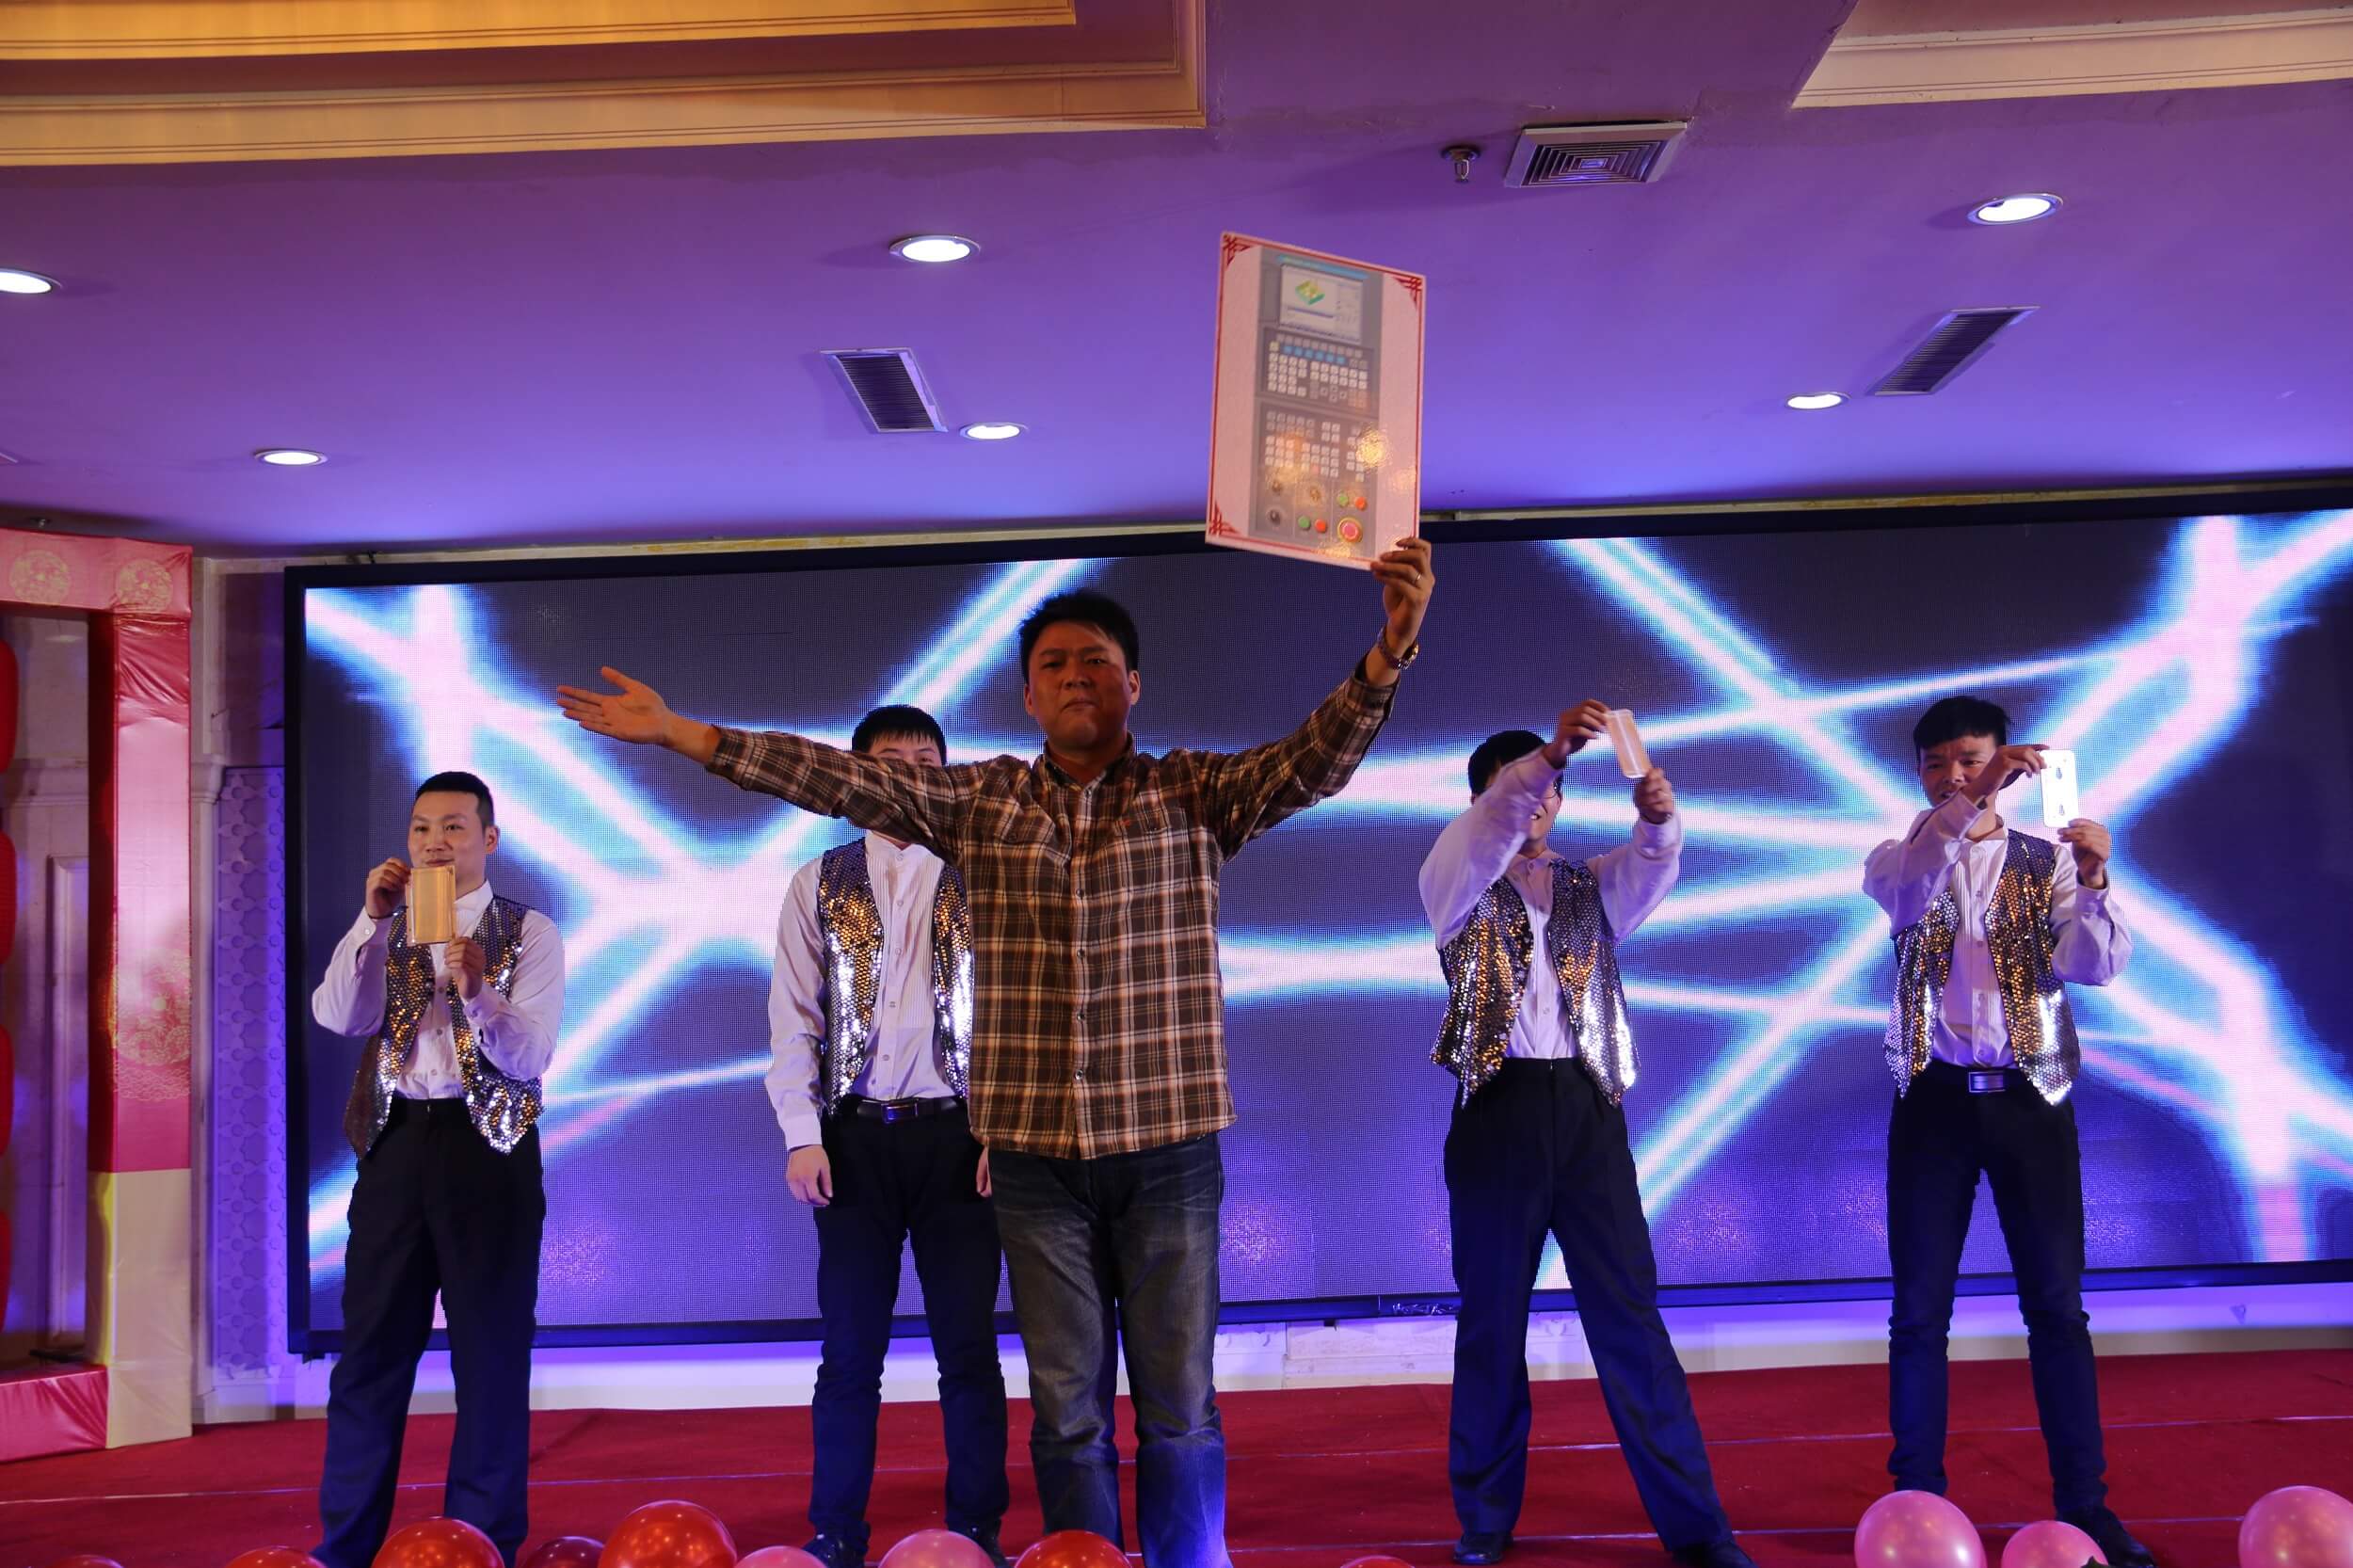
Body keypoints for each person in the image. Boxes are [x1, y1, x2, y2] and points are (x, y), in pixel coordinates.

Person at [556, 539, 1434, 1568]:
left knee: (1180, 1408)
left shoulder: (1194, 794)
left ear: (1134, 684)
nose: (1075, 675)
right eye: (1054, 663)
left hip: (1169, 1151)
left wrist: (1388, 652)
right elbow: (836, 779)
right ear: (1026, 696)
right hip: (1034, 1163)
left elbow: (1312, 760)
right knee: (1066, 1409)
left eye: (1096, 659)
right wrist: (684, 733)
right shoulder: (984, 803)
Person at [1419, 703, 1754, 1568]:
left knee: (1630, 1319)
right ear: (1481, 800)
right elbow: (1492, 825)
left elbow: (1652, 868)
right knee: (1491, 1323)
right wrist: (1549, 755)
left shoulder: (1585, 884)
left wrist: (1658, 821)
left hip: (1587, 1111)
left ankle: (1699, 1532)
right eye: (1517, 791)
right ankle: (1484, 1523)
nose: (1536, 804)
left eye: (1550, 793)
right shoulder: (1454, 876)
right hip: (1497, 1112)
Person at [1864, 695, 2151, 1568]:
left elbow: (2092, 967)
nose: (1956, 776)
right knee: (1919, 1313)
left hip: (2032, 1101)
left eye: (1973, 759)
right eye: (1939, 763)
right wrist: (1974, 795)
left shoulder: (2047, 861)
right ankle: (1916, 1501)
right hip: (1935, 1102)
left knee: (2057, 1309)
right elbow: (1909, 890)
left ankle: (2087, 1506)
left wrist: (2094, 880)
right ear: (1919, 774)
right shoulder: (1899, 857)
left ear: (2009, 763)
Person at [770, 704, 1008, 1568]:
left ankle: (977, 1529)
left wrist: (1005, 1129)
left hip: (962, 1140)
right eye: (889, 759)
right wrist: (802, 1133)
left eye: (925, 760)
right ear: (856, 772)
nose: (909, 774)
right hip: (854, 1140)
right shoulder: (818, 880)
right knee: (849, 1354)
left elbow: (1020, 1010)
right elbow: (794, 1017)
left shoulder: (986, 869)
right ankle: (836, 1532)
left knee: (968, 1349)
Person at [309, 771, 566, 1568]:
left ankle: (483, 1544)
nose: (435, 843)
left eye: (454, 828)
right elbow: (339, 1015)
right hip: (395, 1144)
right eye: (422, 829)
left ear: (489, 839)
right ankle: (346, 1548)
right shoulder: (384, 923)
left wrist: (479, 992)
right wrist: (372, 921)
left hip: (487, 1149)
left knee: (491, 1354)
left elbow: (531, 1056)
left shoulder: (530, 930)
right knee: (370, 1354)